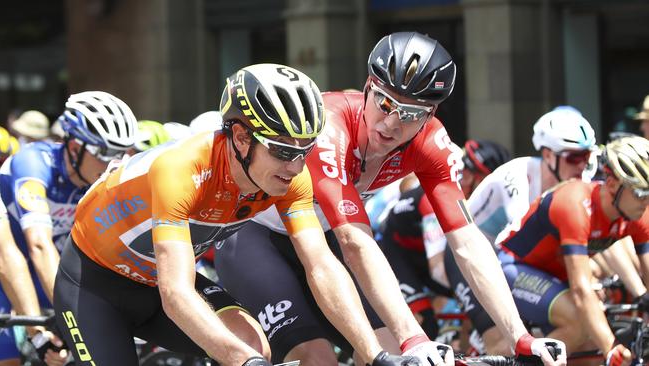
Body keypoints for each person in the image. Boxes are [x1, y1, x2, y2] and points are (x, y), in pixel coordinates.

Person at [215, 32, 566, 366]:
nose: (391, 123)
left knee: (390, 349)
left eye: (412, 114)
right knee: (319, 357)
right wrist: (414, 337)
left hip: (322, 240)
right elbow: (354, 240)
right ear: (368, 88)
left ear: (430, 116)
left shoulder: (430, 143)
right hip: (256, 238)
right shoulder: (331, 124)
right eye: (384, 102)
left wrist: (519, 335)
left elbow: (467, 242)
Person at [53, 64, 418, 366]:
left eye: (304, 150)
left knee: (253, 343)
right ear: (241, 137)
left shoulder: (291, 176)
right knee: (244, 355)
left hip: (153, 281)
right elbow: (175, 292)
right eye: (281, 151)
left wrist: (374, 354)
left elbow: (321, 265)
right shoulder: (181, 170)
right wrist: (243, 362)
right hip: (94, 284)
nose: (294, 166)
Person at [0, 91, 137, 365]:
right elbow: (38, 245)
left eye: (120, 153)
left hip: (46, 278)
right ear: (75, 148)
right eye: (104, 153)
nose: (113, 163)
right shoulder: (35, 164)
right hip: (7, 270)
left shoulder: (100, 180)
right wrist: (42, 332)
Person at [496, 135, 649, 365]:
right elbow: (581, 289)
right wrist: (612, 349)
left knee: (588, 351)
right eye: (640, 192)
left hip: (556, 278)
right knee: (581, 323)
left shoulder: (637, 213)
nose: (646, 201)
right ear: (612, 184)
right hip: (513, 268)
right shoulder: (576, 203)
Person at [376, 139, 511, 340]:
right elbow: (439, 269)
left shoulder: (468, 200)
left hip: (418, 251)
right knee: (426, 326)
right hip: (392, 254)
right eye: (485, 181)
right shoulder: (440, 195)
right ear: (468, 176)